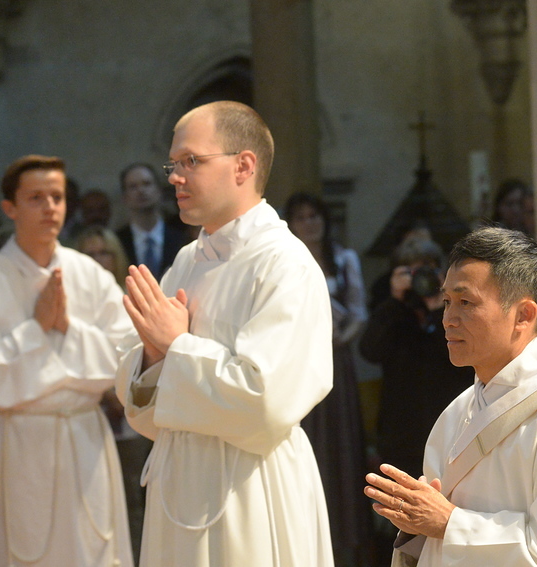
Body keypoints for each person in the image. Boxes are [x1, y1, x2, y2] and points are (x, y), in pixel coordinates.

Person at [115, 100, 334, 567]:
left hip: (250, 488)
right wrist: (151, 356)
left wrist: (176, 346)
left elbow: (267, 401)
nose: (175, 177)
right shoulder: (186, 262)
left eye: (191, 161)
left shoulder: (285, 264)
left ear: (243, 166)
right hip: (178, 477)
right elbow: (145, 412)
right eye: (173, 164)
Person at [365, 226, 537, 566]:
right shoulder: (455, 412)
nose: (448, 319)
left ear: (523, 315)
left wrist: (450, 524)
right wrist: (416, 524)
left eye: (466, 302)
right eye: (447, 302)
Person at [0, 155, 134, 566]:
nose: (50, 208)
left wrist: (68, 329)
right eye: (36, 198)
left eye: (57, 197)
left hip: (85, 433)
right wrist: (35, 330)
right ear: (9, 207)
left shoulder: (89, 274)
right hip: (18, 441)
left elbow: (127, 358)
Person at [285, 191, 373, 565]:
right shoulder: (284, 261)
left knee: (342, 445)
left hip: (337, 361)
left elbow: (358, 313)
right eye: (302, 217)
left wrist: (339, 338)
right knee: (312, 444)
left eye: (315, 216)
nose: (310, 223)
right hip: (300, 361)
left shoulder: (344, 259)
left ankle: (349, 540)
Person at [360, 236, 473, 480]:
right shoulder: (392, 312)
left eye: (427, 271)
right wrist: (394, 301)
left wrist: (439, 308)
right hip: (401, 432)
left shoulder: (455, 312)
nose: (421, 279)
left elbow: (466, 361)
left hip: (450, 428)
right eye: (411, 272)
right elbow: (370, 351)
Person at [74, 225, 152, 560]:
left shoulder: (131, 296)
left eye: (103, 252)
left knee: (135, 496)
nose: (97, 260)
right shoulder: (66, 298)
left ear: (116, 256)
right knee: (91, 498)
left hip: (129, 414)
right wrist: (105, 391)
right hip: (87, 411)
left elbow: (139, 351)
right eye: (89, 254)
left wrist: (117, 392)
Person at [115, 163, 191, 281]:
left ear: (159, 190)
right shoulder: (117, 242)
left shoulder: (182, 237)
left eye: (147, 184)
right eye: (133, 187)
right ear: (124, 196)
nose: (141, 191)